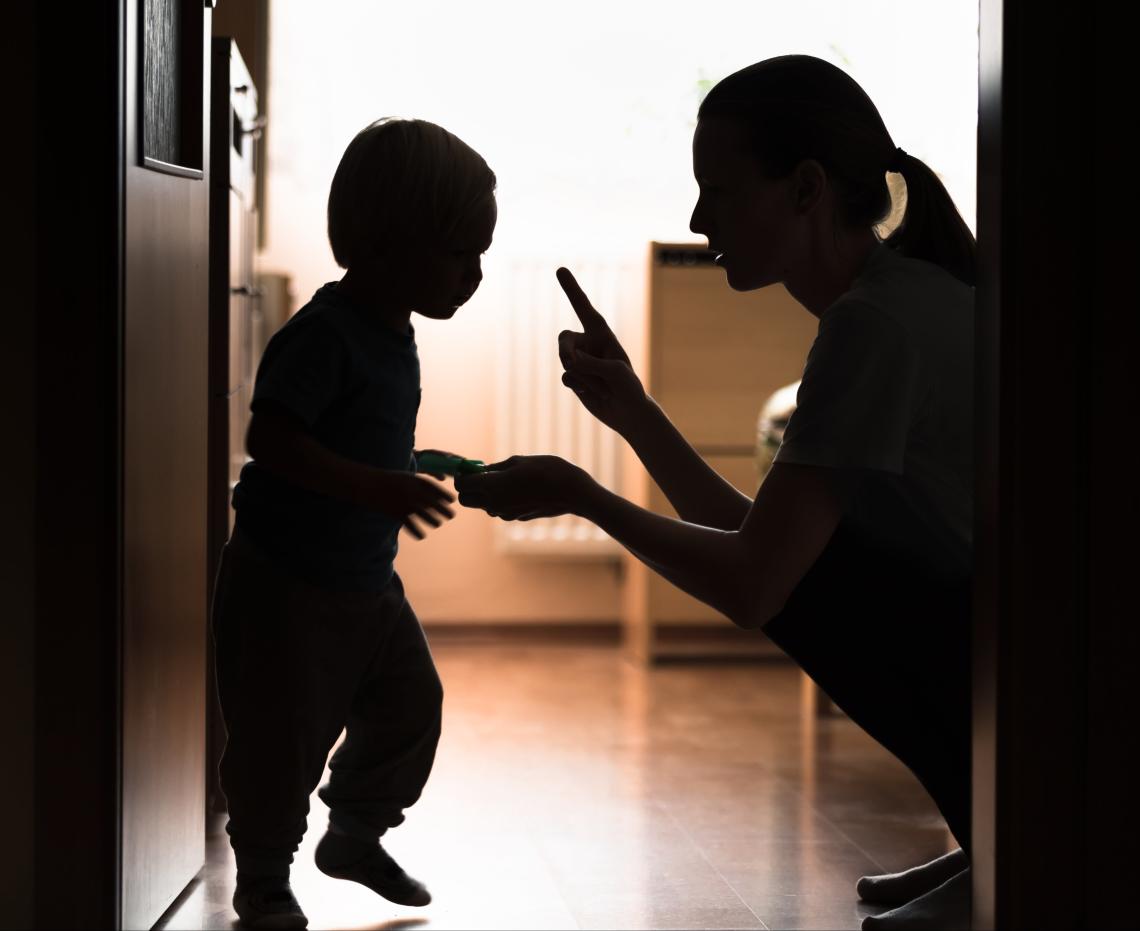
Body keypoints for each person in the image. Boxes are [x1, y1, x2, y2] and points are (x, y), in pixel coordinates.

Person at [455, 54, 975, 931]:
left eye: (719, 190)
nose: (698, 218)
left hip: (1011, 643)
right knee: (820, 573)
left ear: (806, 188)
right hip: (993, 620)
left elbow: (753, 584)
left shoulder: (873, 327)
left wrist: (585, 494)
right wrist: (636, 415)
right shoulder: (897, 298)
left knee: (815, 589)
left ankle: (1003, 854)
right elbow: (769, 544)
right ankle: (990, 837)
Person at [211, 117, 496, 929]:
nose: (474, 273)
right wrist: (379, 486)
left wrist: (413, 462)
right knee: (280, 742)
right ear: (383, 245)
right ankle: (264, 875)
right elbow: (270, 439)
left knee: (412, 707)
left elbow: (355, 434)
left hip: (366, 583)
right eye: (461, 252)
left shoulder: (391, 330)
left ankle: (355, 832)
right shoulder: (322, 333)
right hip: (288, 585)